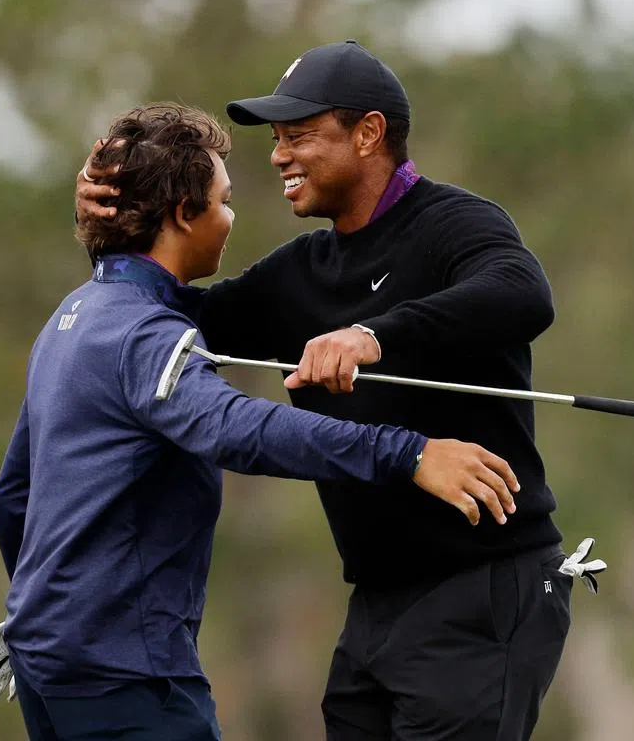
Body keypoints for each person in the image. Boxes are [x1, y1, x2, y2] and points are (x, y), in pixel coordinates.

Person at [76, 43, 602, 741]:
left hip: (486, 588)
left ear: (368, 134)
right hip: (378, 606)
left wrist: (372, 336)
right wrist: (112, 233)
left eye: (299, 136)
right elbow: (164, 319)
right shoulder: (301, 271)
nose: (277, 156)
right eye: (275, 140)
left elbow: (521, 294)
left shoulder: (453, 222)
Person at [0, 101, 522, 741]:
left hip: (48, 662)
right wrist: (408, 454)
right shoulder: (145, 333)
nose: (231, 219)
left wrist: (39, 612)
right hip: (126, 674)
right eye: (224, 201)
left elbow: (13, 495)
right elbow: (239, 428)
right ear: (184, 213)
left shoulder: (73, 319)